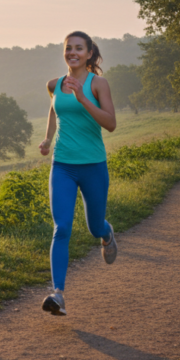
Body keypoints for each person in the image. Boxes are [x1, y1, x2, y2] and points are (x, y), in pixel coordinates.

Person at [38, 31, 117, 316]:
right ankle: (58, 294)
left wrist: (83, 97)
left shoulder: (98, 84)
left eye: (78, 48)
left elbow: (111, 124)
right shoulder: (54, 84)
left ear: (88, 54)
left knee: (94, 226)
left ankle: (106, 234)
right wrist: (48, 138)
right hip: (63, 166)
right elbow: (55, 109)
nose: (72, 52)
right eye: (68, 48)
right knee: (62, 228)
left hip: (93, 166)